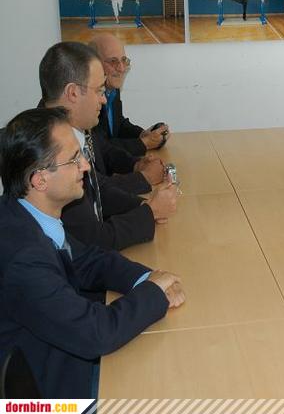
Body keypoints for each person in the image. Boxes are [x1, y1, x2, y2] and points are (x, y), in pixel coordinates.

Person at [0, 107, 185, 397]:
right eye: (74, 159)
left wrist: (148, 277)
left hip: (61, 356)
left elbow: (88, 260)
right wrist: (153, 294)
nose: (86, 166)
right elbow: (95, 334)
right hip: (46, 397)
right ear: (40, 180)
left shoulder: (27, 214)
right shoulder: (23, 257)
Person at [39, 41, 178, 250]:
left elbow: (97, 189)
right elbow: (93, 241)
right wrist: (150, 212)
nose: (104, 100)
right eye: (99, 91)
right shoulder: (48, 155)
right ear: (73, 93)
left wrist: (144, 206)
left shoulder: (70, 126)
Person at [89, 33, 169, 157]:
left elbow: (118, 125)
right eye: (113, 61)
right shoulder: (88, 99)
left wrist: (142, 134)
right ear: (94, 64)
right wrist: (144, 143)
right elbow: (100, 148)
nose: (121, 69)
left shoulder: (112, 88)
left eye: (124, 60)